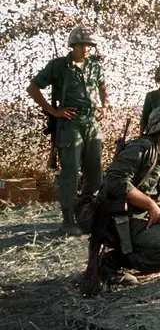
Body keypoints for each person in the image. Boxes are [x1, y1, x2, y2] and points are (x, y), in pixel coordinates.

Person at [96, 105, 160, 286]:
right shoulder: (141, 149)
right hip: (119, 217)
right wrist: (150, 204)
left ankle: (146, 257)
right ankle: (110, 263)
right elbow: (114, 180)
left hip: (140, 215)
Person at [27, 26, 109, 235]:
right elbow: (33, 88)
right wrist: (53, 111)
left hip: (91, 122)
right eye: (83, 45)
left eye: (89, 46)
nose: (86, 49)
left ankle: (86, 210)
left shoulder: (95, 66)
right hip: (70, 124)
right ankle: (67, 219)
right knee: (71, 172)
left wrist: (104, 105)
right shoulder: (59, 67)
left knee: (95, 172)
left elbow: (102, 87)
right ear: (73, 46)